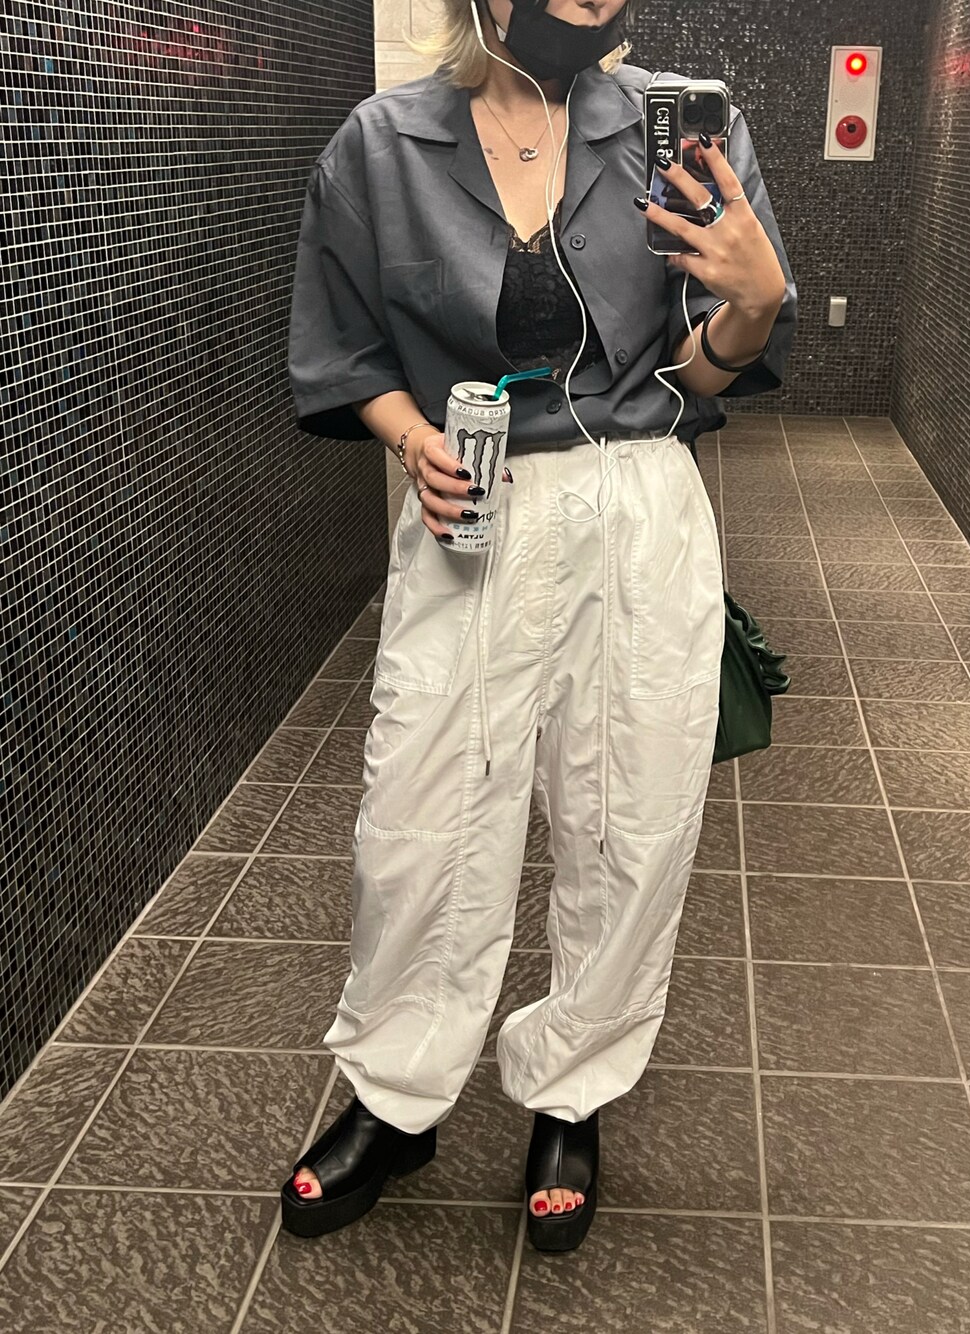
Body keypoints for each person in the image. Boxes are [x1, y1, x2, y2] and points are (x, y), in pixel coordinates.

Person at [284, 0, 796, 1252]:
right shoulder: (381, 145)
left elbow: (698, 370)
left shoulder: (684, 128)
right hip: (469, 511)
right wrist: (412, 439)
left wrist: (754, 307)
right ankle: (397, 1092)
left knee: (629, 813)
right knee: (419, 815)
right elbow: (347, 349)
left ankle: (574, 1087)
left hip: (636, 502)